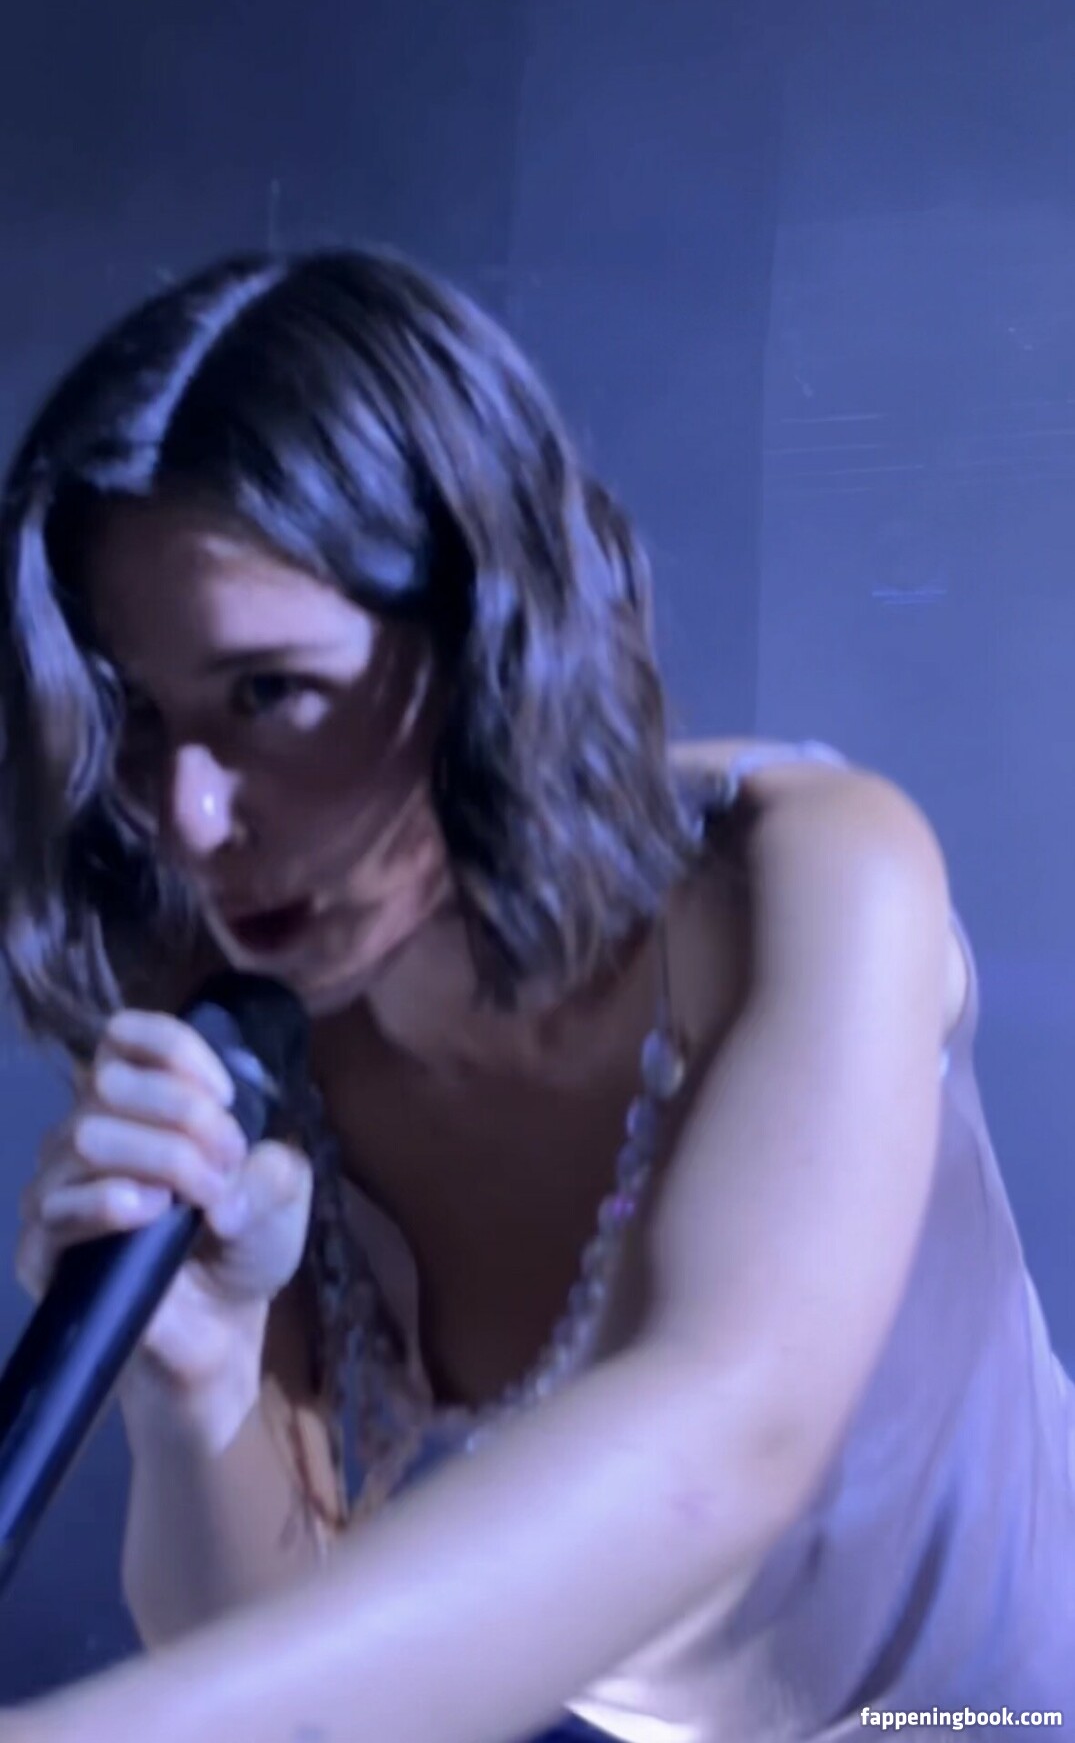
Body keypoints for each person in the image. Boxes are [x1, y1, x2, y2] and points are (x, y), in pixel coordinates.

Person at [0, 248, 1070, 1743]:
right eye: (135, 716)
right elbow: (265, 1645)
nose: (188, 814)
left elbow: (716, 1447)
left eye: (266, 696)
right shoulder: (241, 1026)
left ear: (485, 632)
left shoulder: (809, 874)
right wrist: (198, 1372)